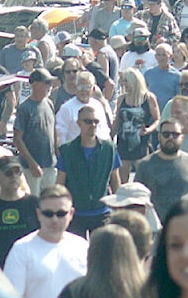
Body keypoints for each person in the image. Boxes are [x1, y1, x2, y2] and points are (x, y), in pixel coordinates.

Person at [4, 184, 88, 298]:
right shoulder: (21, 250)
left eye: (61, 214)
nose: (54, 220)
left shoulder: (82, 246)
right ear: (38, 214)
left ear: (71, 214)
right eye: (48, 214)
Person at [57, 105, 122, 237]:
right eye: (88, 121)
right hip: (75, 213)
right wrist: (60, 210)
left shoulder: (109, 149)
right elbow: (60, 184)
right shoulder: (67, 150)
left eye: (96, 121)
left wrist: (120, 207)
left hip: (102, 212)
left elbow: (115, 180)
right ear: (79, 123)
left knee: (100, 255)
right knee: (76, 256)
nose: (92, 125)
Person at [133, 118, 188, 223]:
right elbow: (137, 199)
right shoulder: (145, 165)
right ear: (159, 137)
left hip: (185, 227)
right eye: (166, 134)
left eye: (175, 135)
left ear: (182, 137)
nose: (170, 138)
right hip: (155, 230)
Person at [0, 156, 40, 267]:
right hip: (1, 269)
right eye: (8, 173)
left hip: (32, 266)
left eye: (17, 172)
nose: (14, 176)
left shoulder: (36, 204)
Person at [15, 68, 59, 196]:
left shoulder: (49, 103)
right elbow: (18, 139)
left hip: (50, 164)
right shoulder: (24, 108)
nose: (50, 86)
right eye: (47, 83)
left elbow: (53, 130)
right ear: (35, 84)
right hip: (31, 167)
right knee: (34, 203)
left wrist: (57, 152)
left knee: (50, 200)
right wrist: (32, 164)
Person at [112, 68, 160, 182]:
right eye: (123, 81)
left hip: (142, 141)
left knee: (142, 176)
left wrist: (149, 130)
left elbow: (157, 119)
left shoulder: (148, 98)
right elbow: (117, 120)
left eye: (126, 81)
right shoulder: (122, 98)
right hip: (123, 141)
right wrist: (110, 135)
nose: (124, 84)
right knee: (122, 177)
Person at [143, 43, 182, 112]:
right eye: (159, 55)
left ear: (170, 56)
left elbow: (179, 98)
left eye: (164, 55)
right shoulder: (148, 74)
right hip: (151, 113)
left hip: (169, 113)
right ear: (155, 56)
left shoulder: (177, 76)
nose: (161, 58)